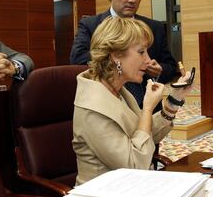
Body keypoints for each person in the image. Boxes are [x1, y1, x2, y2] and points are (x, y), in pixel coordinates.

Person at [72, 16, 190, 185]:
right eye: (141, 52)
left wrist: (174, 101)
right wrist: (148, 108)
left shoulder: (118, 90)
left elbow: (142, 135)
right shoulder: (93, 106)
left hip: (128, 191)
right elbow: (135, 164)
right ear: (116, 56)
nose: (149, 60)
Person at [70, 0, 177, 109]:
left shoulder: (153, 27)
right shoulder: (91, 25)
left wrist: (159, 70)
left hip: (148, 108)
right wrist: (120, 57)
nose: (132, 0)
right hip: (105, 104)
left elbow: (171, 67)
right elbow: (77, 59)